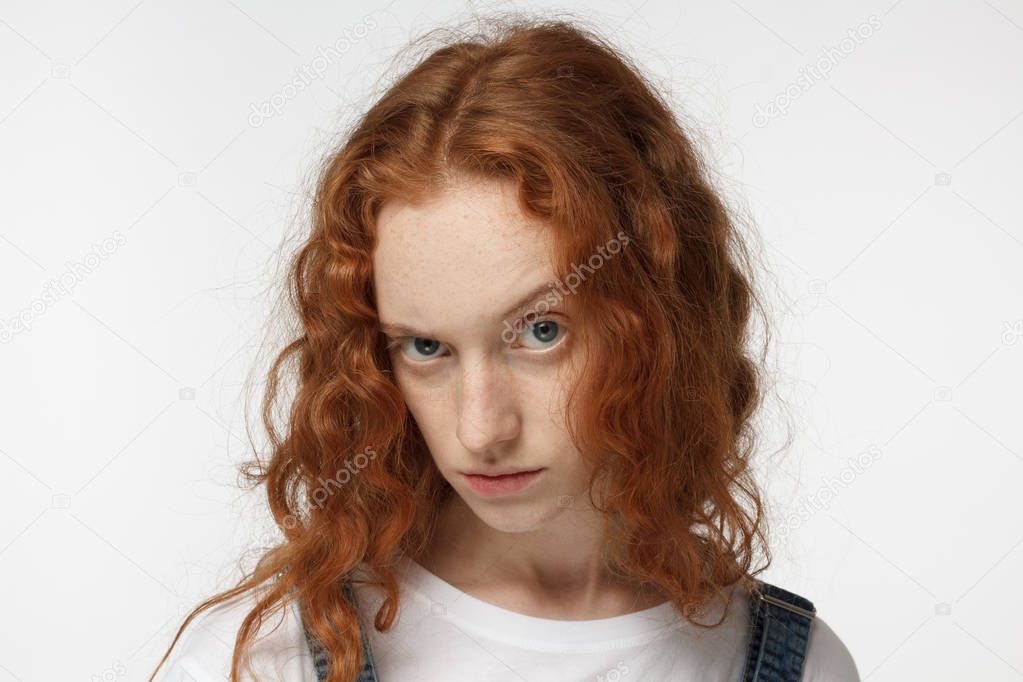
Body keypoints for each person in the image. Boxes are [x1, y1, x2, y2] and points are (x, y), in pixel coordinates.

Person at [150, 15, 860, 682]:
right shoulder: (269, 658)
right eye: (426, 347)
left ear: (662, 327)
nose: (480, 430)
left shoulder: (791, 663)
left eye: (540, 332)